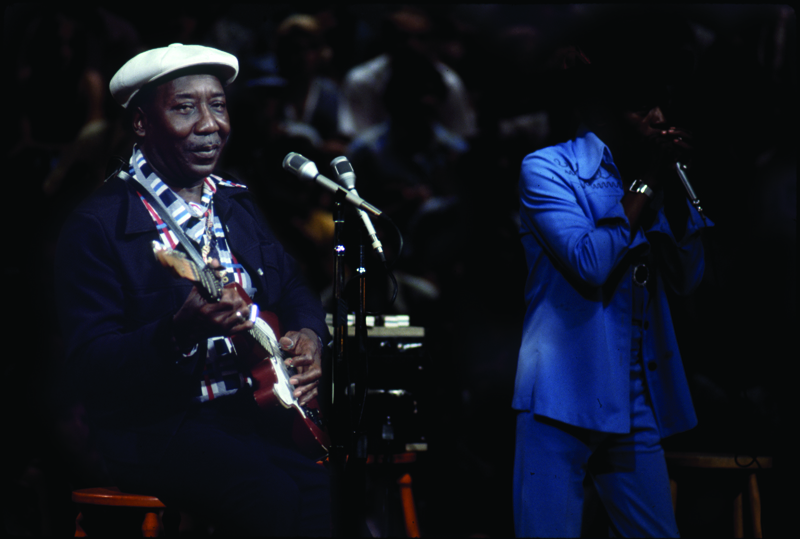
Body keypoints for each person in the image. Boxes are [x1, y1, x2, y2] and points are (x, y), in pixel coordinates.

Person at [54, 43, 330, 536]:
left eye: (218, 105)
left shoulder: (233, 203)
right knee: (271, 498)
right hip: (155, 429)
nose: (210, 124)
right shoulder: (99, 225)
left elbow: (293, 290)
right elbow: (88, 366)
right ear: (141, 123)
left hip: (247, 415)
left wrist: (310, 335)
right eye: (185, 107)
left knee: (330, 495)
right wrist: (177, 332)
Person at [512, 14, 710, 538]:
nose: (659, 117)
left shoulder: (646, 180)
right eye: (643, 105)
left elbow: (687, 279)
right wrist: (645, 185)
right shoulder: (547, 169)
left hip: (632, 397)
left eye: (661, 103)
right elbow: (589, 263)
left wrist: (678, 200)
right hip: (561, 393)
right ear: (605, 109)